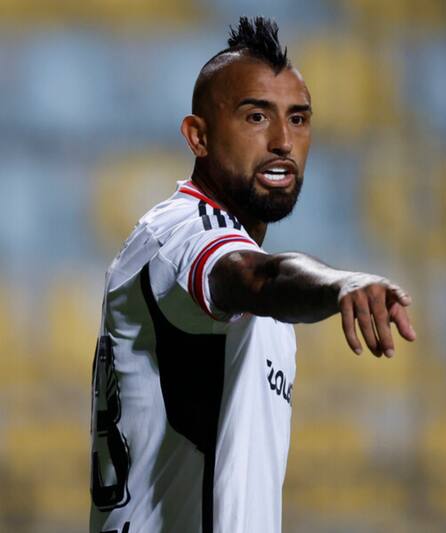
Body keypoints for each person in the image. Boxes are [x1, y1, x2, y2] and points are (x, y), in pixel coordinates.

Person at [89, 16, 415, 533]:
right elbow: (256, 278)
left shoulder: (234, 266)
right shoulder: (179, 233)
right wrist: (342, 285)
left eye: (299, 118)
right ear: (198, 136)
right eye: (257, 117)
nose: (284, 140)